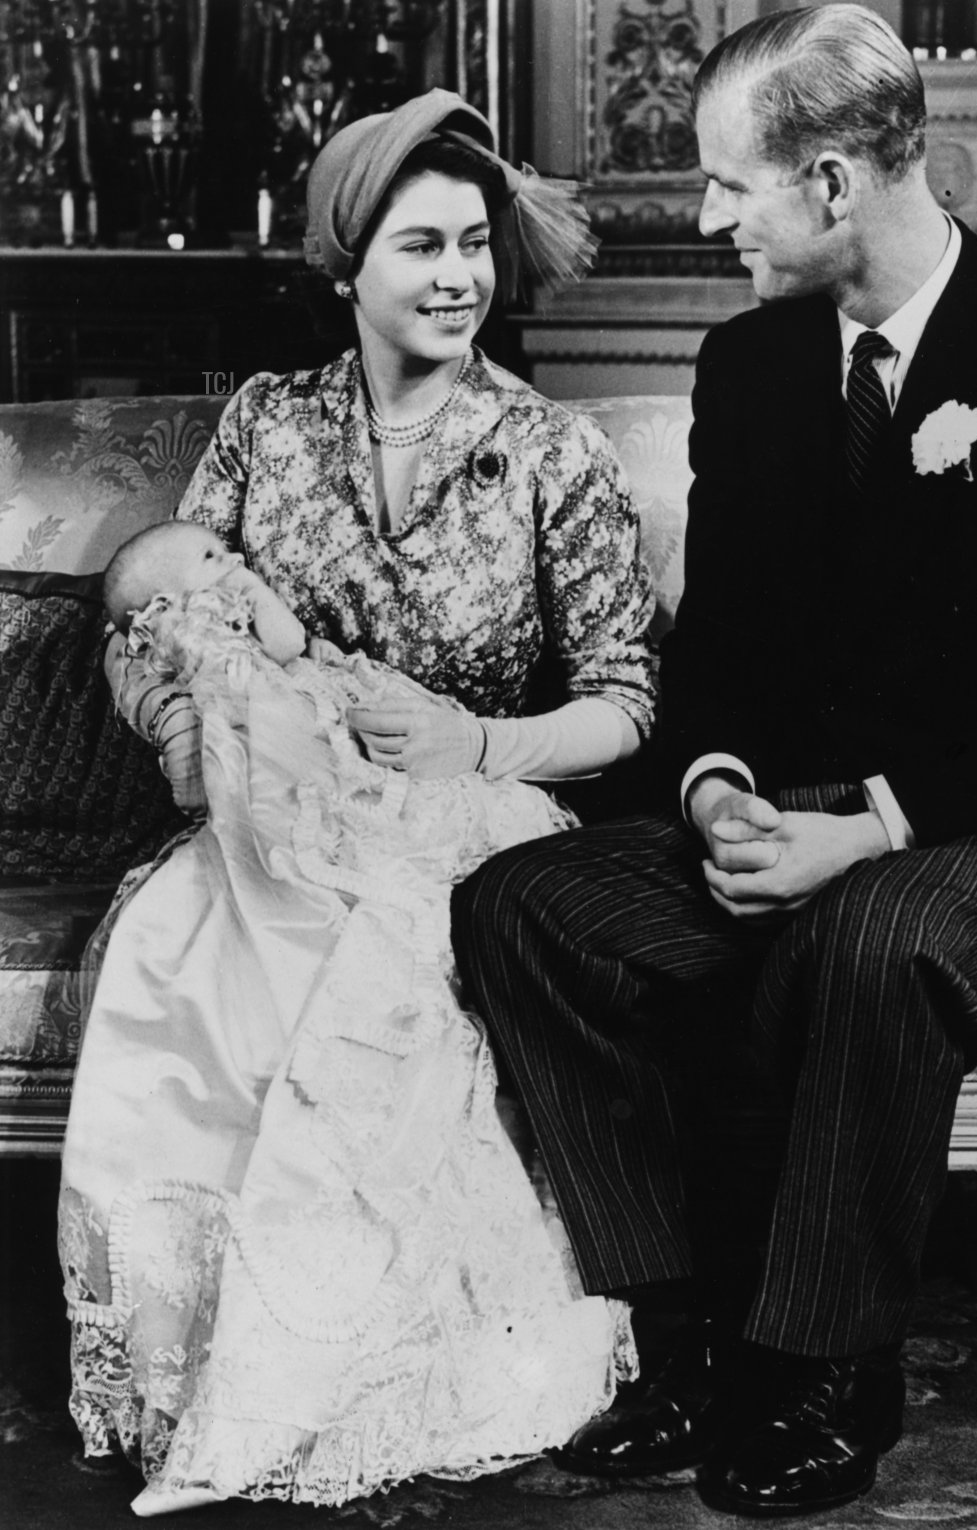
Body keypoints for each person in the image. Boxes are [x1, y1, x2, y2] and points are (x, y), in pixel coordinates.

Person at [451, 6, 977, 1520]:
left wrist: (871, 827)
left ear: (838, 183)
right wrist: (720, 786)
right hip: (797, 817)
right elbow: (719, 651)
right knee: (522, 907)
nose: (711, 216)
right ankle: (679, 1336)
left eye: (734, 184)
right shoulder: (751, 366)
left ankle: (821, 1361)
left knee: (869, 936)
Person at [57, 88, 656, 1515]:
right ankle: (228, 1360)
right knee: (183, 950)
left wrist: (476, 743)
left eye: (476, 246)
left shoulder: (554, 454)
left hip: (474, 818)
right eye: (422, 245)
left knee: (389, 975)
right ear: (350, 263)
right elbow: (155, 624)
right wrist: (195, 727)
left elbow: (627, 704)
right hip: (279, 815)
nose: (459, 277)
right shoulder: (266, 428)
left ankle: (396, 1371)